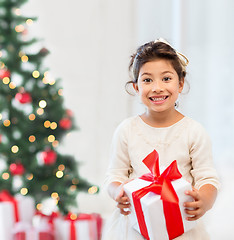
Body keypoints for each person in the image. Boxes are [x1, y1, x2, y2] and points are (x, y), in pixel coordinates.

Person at [102, 38, 220, 240]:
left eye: (166, 79)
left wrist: (205, 200)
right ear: (136, 88)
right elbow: (114, 175)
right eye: (147, 80)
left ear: (180, 83)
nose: (157, 87)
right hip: (136, 226)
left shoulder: (193, 131)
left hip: (181, 225)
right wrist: (117, 191)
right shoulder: (127, 130)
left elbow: (207, 178)